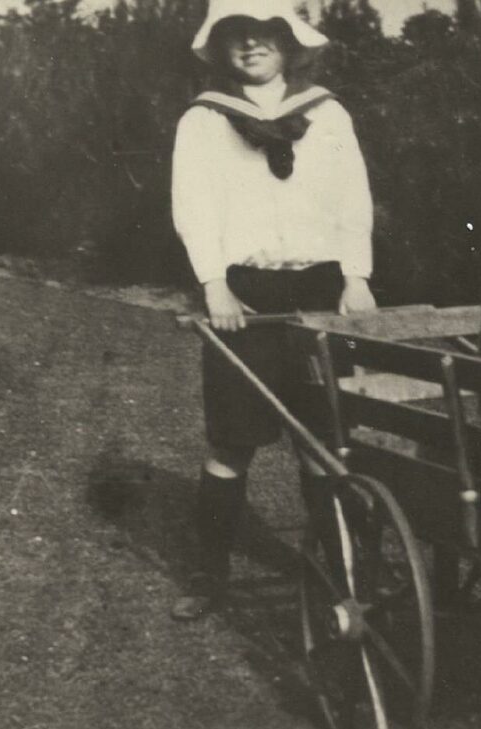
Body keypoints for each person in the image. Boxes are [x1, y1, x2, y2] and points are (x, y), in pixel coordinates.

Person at [169, 0, 377, 620]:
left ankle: (341, 578)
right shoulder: (204, 120)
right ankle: (209, 576)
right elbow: (194, 207)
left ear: (289, 42)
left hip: (321, 292)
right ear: (220, 46)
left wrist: (356, 277)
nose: (252, 45)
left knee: (323, 441)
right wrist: (214, 285)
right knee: (232, 442)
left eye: (266, 33)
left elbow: (352, 198)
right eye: (238, 35)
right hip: (245, 295)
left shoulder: (328, 114)